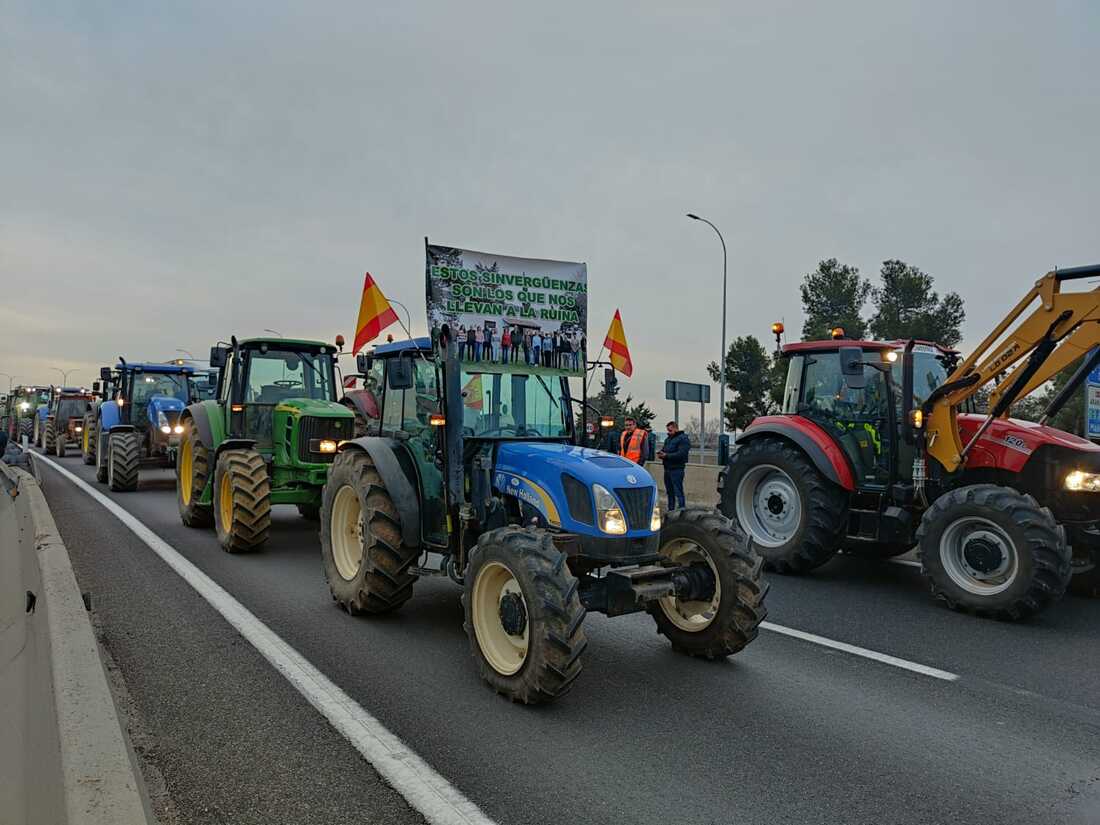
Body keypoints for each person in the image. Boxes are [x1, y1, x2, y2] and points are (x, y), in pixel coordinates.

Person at [657, 421, 690, 510]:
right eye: (668, 430)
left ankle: (681, 509)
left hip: (677, 469)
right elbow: (665, 449)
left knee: (678, 491)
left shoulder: (683, 439)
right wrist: (661, 453)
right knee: (669, 492)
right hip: (667, 468)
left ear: (676, 428)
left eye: (670, 430)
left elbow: (682, 454)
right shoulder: (668, 439)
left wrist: (667, 456)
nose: (669, 432)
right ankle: (671, 510)